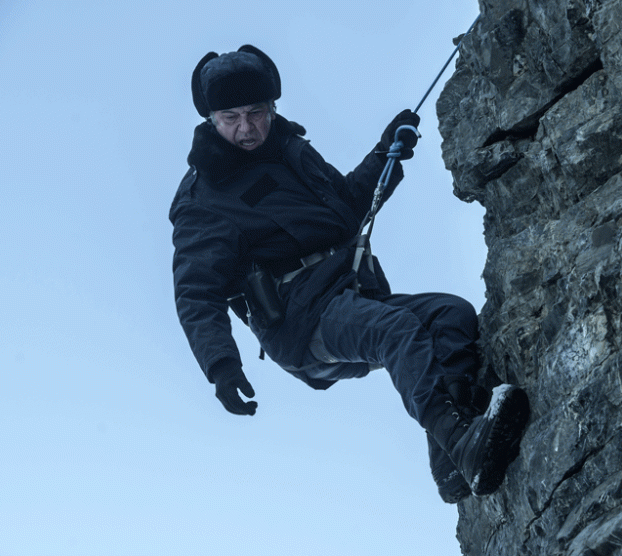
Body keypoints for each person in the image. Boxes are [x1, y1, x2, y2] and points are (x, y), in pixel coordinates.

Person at [169, 45, 530, 502]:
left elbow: (345, 210)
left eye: (255, 112)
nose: (246, 128)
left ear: (272, 107)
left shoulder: (292, 152)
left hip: (349, 293)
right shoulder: (203, 196)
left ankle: (451, 463)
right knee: (396, 329)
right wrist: (221, 366)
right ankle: (463, 444)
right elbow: (196, 293)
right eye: (230, 117)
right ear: (211, 119)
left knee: (450, 316)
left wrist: (387, 152)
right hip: (300, 319)